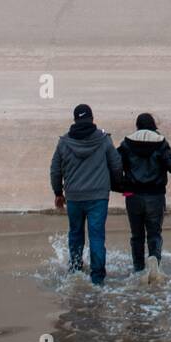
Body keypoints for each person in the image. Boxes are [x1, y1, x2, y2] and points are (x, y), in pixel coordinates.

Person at [49, 103, 123, 286]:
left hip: (74, 197)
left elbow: (55, 170)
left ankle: (75, 270)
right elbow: (116, 165)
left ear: (75, 120)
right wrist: (115, 184)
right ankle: (97, 278)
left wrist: (58, 193)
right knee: (97, 236)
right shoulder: (104, 140)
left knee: (75, 234)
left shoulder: (64, 142)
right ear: (92, 118)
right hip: (98, 196)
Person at [115, 112, 171, 272]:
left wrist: (120, 185)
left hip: (132, 195)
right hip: (156, 196)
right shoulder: (161, 142)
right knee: (154, 234)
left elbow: (116, 165)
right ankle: (154, 266)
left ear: (137, 125)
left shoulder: (127, 143)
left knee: (136, 235)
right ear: (153, 125)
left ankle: (138, 269)